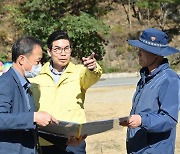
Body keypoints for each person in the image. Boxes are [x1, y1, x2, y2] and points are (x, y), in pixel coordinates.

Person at [30, 30, 102, 154]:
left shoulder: (79, 72)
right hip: (44, 141)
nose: (63, 53)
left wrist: (93, 68)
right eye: (57, 49)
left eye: (66, 49)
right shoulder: (36, 75)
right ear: (49, 51)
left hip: (73, 141)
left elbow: (92, 75)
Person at [120, 28, 180, 154]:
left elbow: (169, 119)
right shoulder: (144, 78)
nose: (139, 53)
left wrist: (142, 120)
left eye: (143, 50)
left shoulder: (169, 79)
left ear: (156, 54)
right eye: (139, 49)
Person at [0, 36, 58, 154]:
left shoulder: (26, 84)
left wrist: (65, 139)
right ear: (22, 59)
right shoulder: (5, 83)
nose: (40, 65)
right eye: (37, 61)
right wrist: (33, 117)